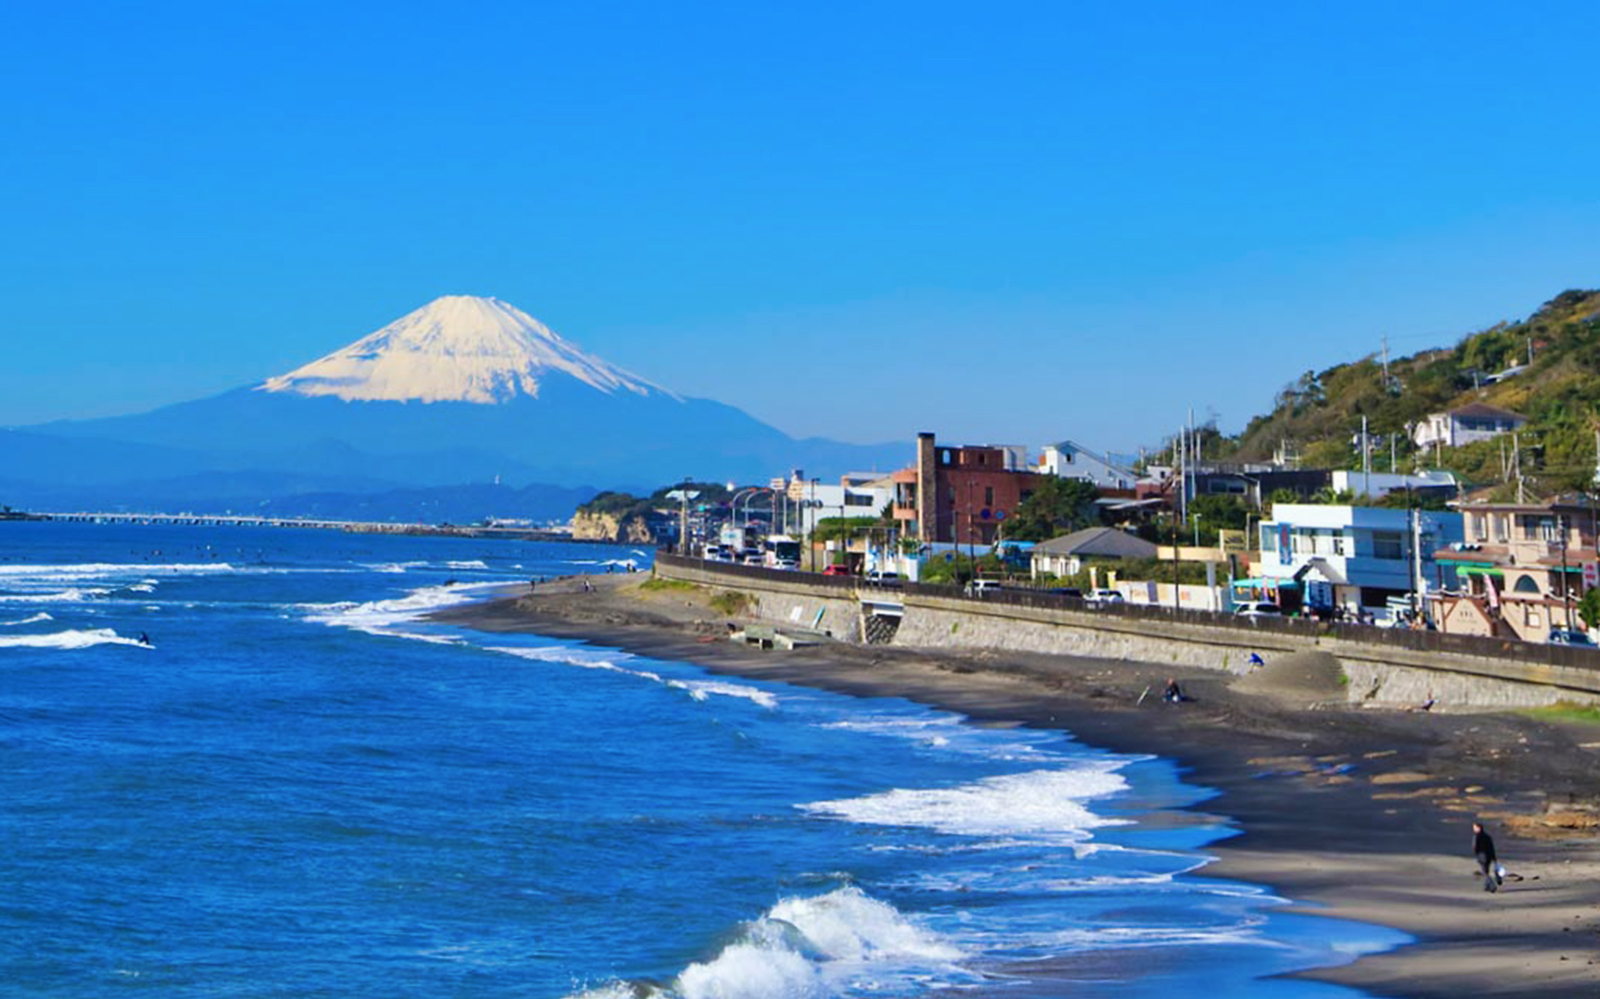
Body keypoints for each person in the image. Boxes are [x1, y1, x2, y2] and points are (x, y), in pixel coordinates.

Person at [1472, 821, 1502, 892]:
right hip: (1489, 856)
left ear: (1478, 828)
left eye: (1474, 827)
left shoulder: (1477, 836)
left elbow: (1475, 847)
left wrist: (1476, 854)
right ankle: (1487, 886)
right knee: (1486, 870)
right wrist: (1494, 858)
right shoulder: (1487, 836)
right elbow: (1491, 847)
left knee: (1485, 872)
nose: (1474, 829)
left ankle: (1492, 885)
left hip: (1482, 856)